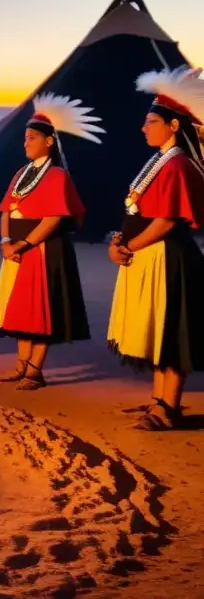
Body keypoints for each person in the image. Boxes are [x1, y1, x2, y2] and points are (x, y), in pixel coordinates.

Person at [106, 67, 204, 430]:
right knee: (159, 331)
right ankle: (159, 401)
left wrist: (127, 246)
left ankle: (168, 406)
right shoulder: (161, 162)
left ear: (173, 125)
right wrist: (119, 244)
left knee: (171, 331)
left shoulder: (178, 165)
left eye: (151, 121)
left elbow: (165, 221)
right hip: (148, 255)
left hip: (168, 257)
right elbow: (140, 211)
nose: (144, 128)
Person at [0, 93, 104, 390]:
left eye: (31, 138)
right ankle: (20, 365)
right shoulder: (19, 175)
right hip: (15, 249)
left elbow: (52, 219)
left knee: (39, 311)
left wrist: (22, 244)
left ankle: (35, 371)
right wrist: (5, 241)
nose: (25, 143)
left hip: (41, 250)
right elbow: (5, 210)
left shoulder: (56, 176)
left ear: (49, 141)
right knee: (19, 310)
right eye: (24, 138)